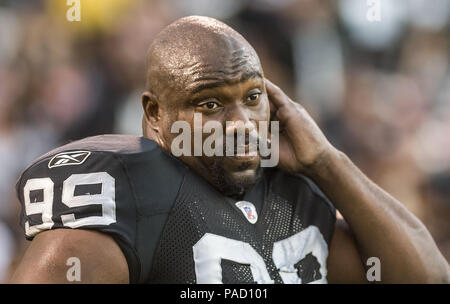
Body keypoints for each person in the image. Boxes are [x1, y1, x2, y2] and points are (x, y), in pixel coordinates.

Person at [9, 16, 449, 284]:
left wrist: (328, 163)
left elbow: (427, 276)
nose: (240, 124)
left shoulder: (289, 201)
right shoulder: (123, 197)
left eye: (253, 97)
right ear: (155, 113)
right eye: (211, 103)